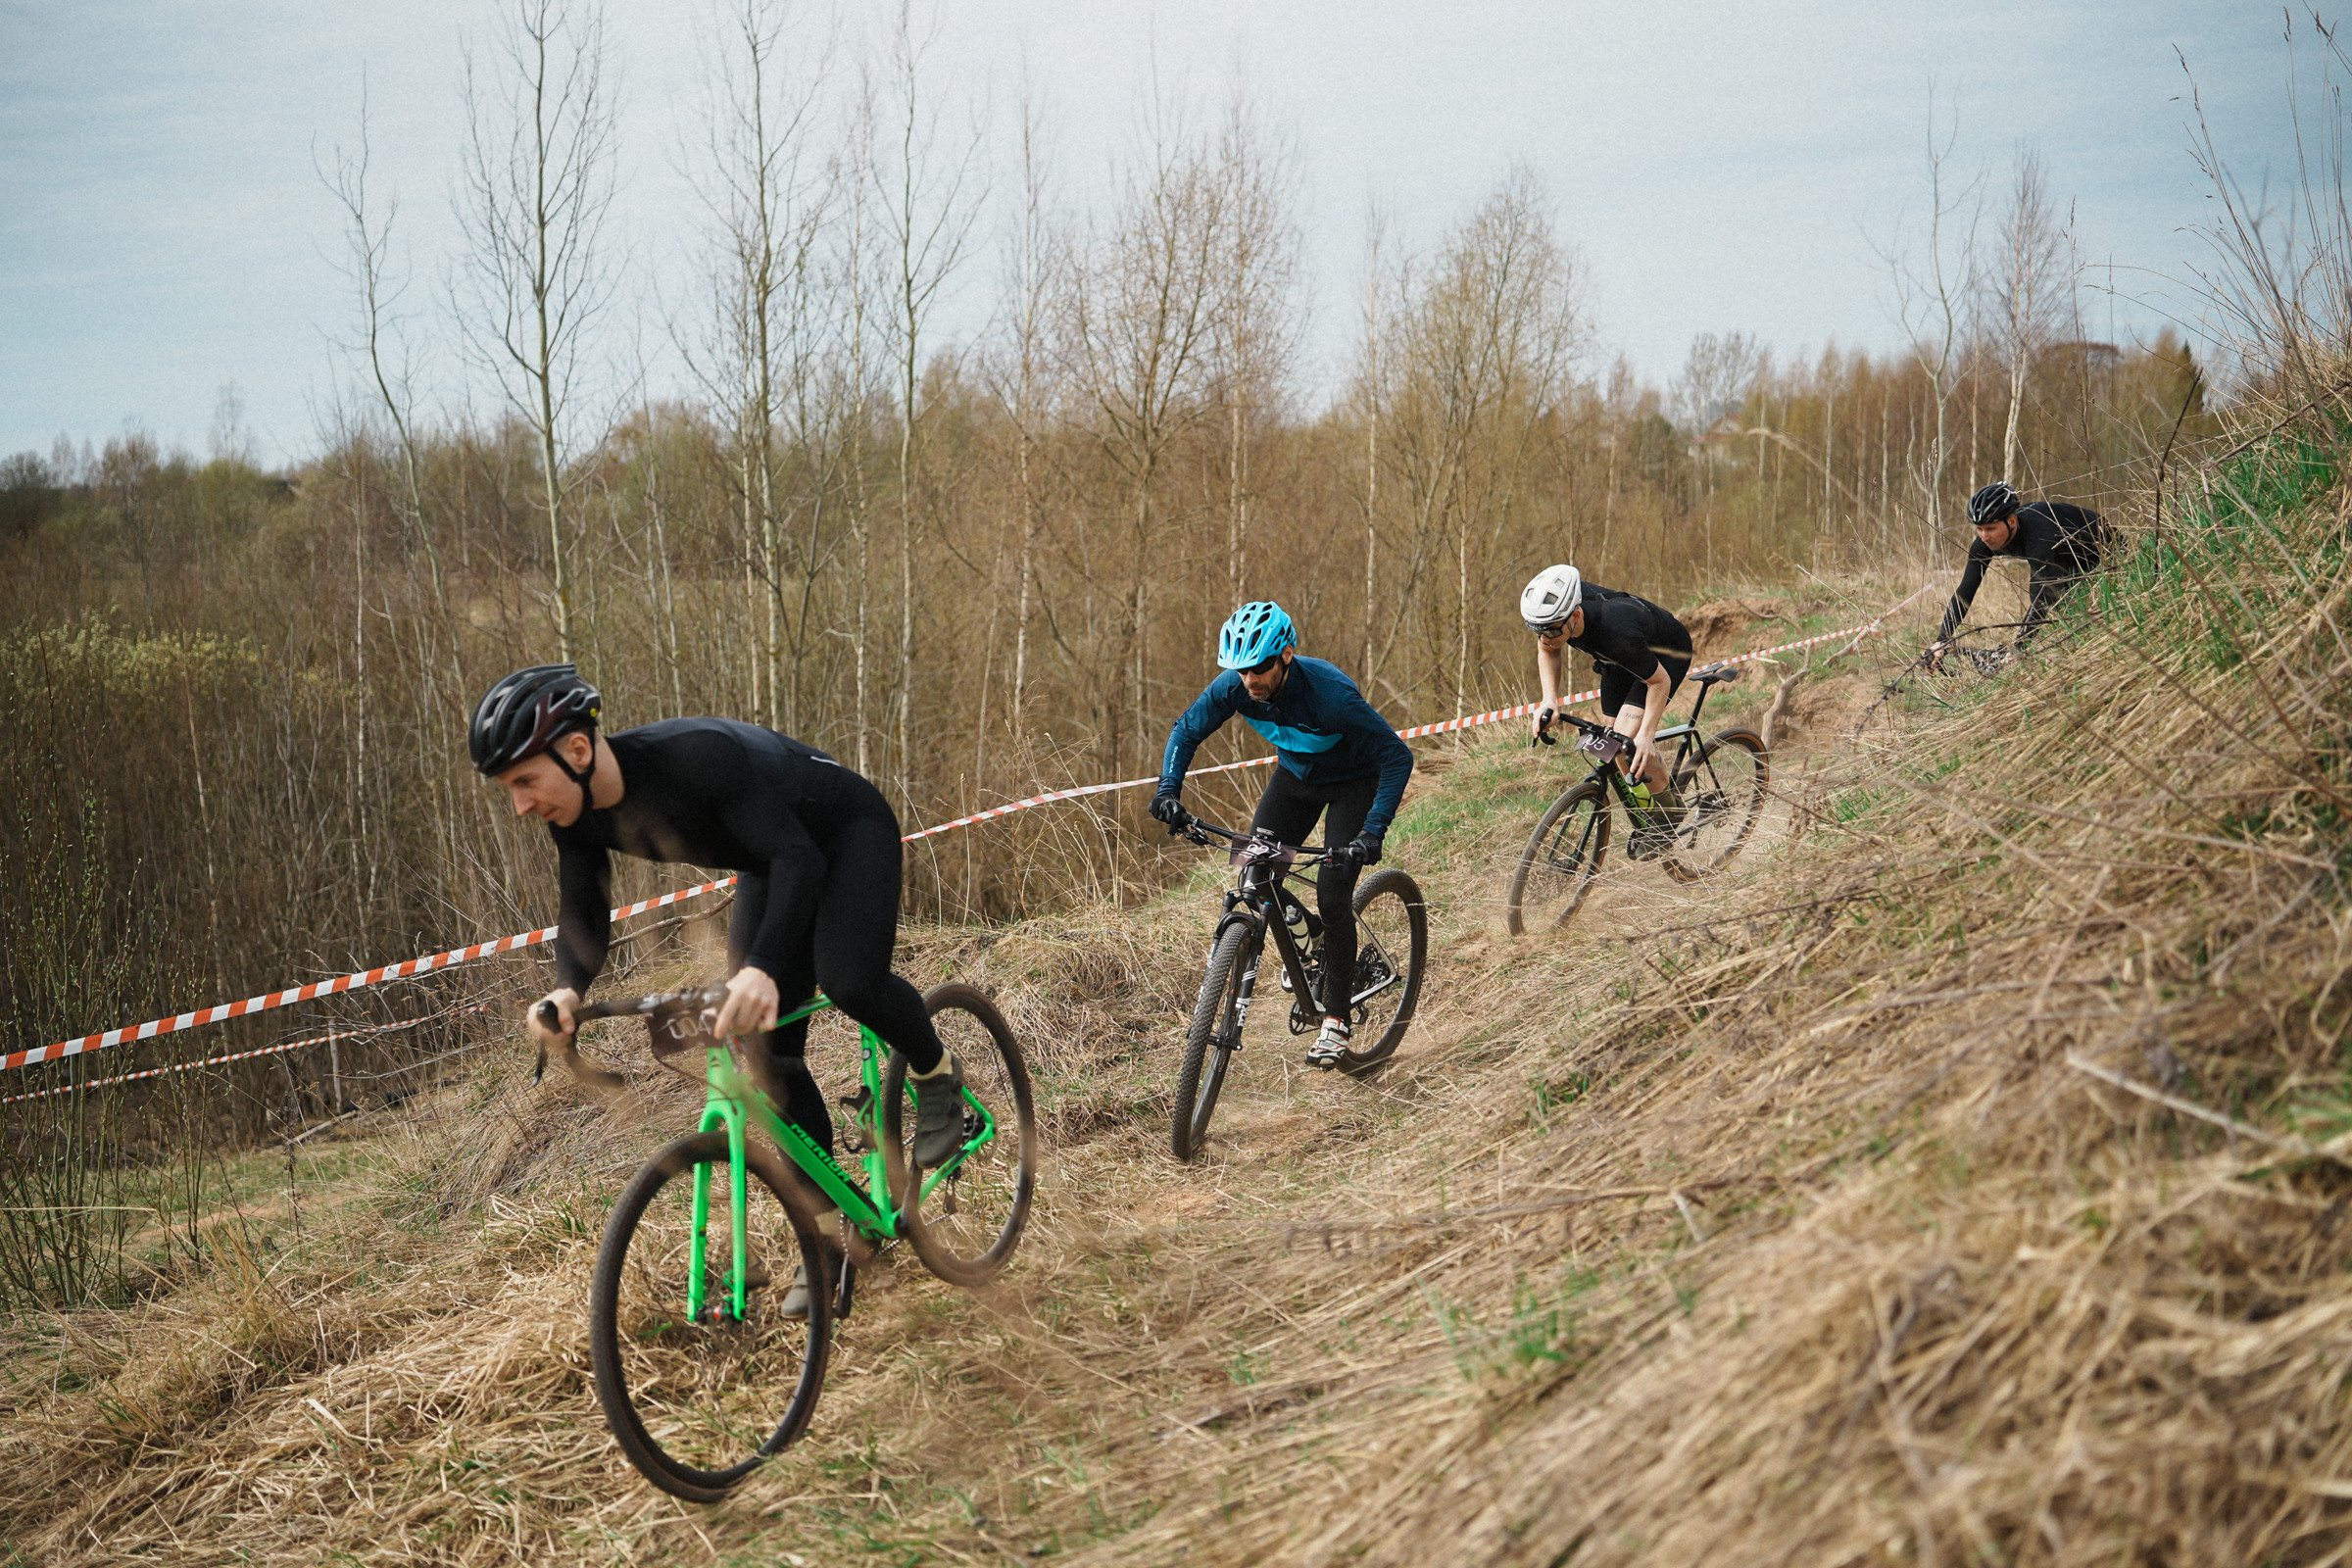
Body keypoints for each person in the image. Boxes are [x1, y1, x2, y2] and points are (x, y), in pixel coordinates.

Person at [473, 663, 962, 1315]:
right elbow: (582, 917)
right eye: (511, 789)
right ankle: (833, 1233)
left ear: (578, 751)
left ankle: (934, 1071)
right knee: (766, 1051)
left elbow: (802, 859)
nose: (522, 805)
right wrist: (565, 991)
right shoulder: (576, 818)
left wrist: (762, 966)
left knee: (848, 978)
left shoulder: (695, 759)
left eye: (526, 782)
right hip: (772, 859)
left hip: (843, 832)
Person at [1149, 603, 1414, 1070]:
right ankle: (1310, 940)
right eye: (1241, 669)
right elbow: (1186, 730)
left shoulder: (1332, 696)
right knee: (1254, 873)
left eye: (1259, 667)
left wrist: (1372, 832)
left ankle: (1336, 1019)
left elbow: (1397, 757)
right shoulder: (1234, 687)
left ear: (1286, 655)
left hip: (1353, 783)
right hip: (1293, 782)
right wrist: (1169, 791)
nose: (1249, 679)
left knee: (1334, 894)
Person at [1520, 564, 1694, 859]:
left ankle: (1670, 815)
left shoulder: (1617, 630)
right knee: (1611, 746)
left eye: (1550, 630)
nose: (1545, 638)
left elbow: (1659, 680)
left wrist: (1646, 736)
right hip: (1618, 658)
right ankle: (1649, 794)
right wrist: (1550, 700)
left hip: (1664, 655)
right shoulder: (1559, 616)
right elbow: (1547, 650)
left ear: (1575, 616)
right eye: (1537, 631)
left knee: (1628, 743)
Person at [1926, 481, 2106, 668]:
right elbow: (1966, 589)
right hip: (2069, 557)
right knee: (2063, 607)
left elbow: (2042, 597)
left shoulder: (2039, 535)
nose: (1984, 536)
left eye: (1990, 529)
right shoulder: (1984, 543)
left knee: (2054, 599)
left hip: (2104, 555)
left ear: (2011, 522)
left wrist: (2019, 648)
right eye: (1979, 529)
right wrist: (1942, 639)